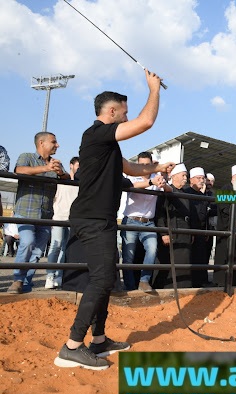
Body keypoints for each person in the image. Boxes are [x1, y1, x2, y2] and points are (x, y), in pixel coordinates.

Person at [54, 70, 174, 371]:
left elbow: (131, 169)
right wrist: (154, 89)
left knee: (105, 280)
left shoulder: (107, 144)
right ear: (111, 112)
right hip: (92, 219)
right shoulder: (96, 134)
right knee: (103, 279)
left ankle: (99, 339)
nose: (128, 116)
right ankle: (71, 346)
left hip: (102, 219)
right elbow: (146, 122)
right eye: (124, 111)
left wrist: (158, 166)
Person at [7, 132, 68, 294]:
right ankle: (17, 279)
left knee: (38, 251)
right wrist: (46, 168)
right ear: (41, 143)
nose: (58, 145)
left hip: (46, 215)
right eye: (54, 142)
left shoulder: (55, 164)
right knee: (27, 242)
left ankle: (26, 282)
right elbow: (19, 170)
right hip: (25, 212)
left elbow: (68, 179)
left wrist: (60, 173)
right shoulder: (26, 156)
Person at [120, 151, 172, 292]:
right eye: (141, 165)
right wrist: (150, 182)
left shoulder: (157, 177)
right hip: (131, 220)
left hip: (148, 222)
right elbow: (130, 186)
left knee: (152, 249)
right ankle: (129, 287)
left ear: (151, 165)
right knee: (128, 256)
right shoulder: (131, 176)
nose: (143, 167)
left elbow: (170, 189)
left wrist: (163, 185)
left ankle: (144, 281)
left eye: (146, 165)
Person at [154, 163, 195, 289]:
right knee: (169, 263)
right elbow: (159, 213)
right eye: (183, 175)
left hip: (184, 233)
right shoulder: (167, 191)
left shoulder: (185, 193)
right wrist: (163, 233)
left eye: (186, 176)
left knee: (184, 264)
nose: (185, 178)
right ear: (175, 176)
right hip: (172, 233)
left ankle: (183, 289)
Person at [45, 156, 80, 289]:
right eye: (78, 165)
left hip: (72, 219)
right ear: (71, 165)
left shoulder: (80, 182)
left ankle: (60, 275)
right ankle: (50, 275)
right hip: (59, 216)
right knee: (56, 245)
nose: (79, 168)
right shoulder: (62, 179)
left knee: (67, 247)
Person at [185, 166, 213, 287]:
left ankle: (201, 281)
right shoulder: (186, 193)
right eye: (199, 178)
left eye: (203, 178)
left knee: (202, 257)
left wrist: (206, 231)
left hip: (202, 231)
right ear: (191, 180)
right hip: (191, 230)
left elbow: (205, 215)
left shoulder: (205, 195)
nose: (202, 180)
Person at [205, 173, 217, 264]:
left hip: (209, 227)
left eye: (212, 181)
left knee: (207, 251)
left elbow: (216, 210)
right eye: (208, 180)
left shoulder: (213, 195)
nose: (210, 183)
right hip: (198, 226)